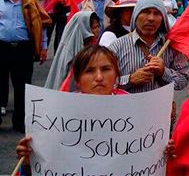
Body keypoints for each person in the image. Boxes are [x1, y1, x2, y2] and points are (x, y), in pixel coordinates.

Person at [16, 45, 175, 173]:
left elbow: (143, 153)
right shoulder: (59, 115)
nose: (99, 77)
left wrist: (162, 152)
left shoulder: (134, 107)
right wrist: (30, 161)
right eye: (89, 71)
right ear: (77, 80)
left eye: (106, 69)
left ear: (116, 75)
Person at [107, 0, 189, 94]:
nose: (151, 18)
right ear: (136, 15)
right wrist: (130, 79)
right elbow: (105, 81)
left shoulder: (172, 46)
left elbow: (183, 81)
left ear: (163, 18)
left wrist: (164, 72)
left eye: (156, 13)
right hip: (127, 109)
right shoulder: (117, 47)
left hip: (161, 109)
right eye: (146, 12)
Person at [0, 0, 51, 132]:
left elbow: (42, 25)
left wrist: (43, 47)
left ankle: (20, 121)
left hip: (23, 49)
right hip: (1, 47)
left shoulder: (31, 3)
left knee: (22, 87)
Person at [44, 11, 101, 89]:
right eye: (94, 28)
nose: (98, 30)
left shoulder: (91, 45)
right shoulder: (69, 50)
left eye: (98, 26)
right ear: (85, 29)